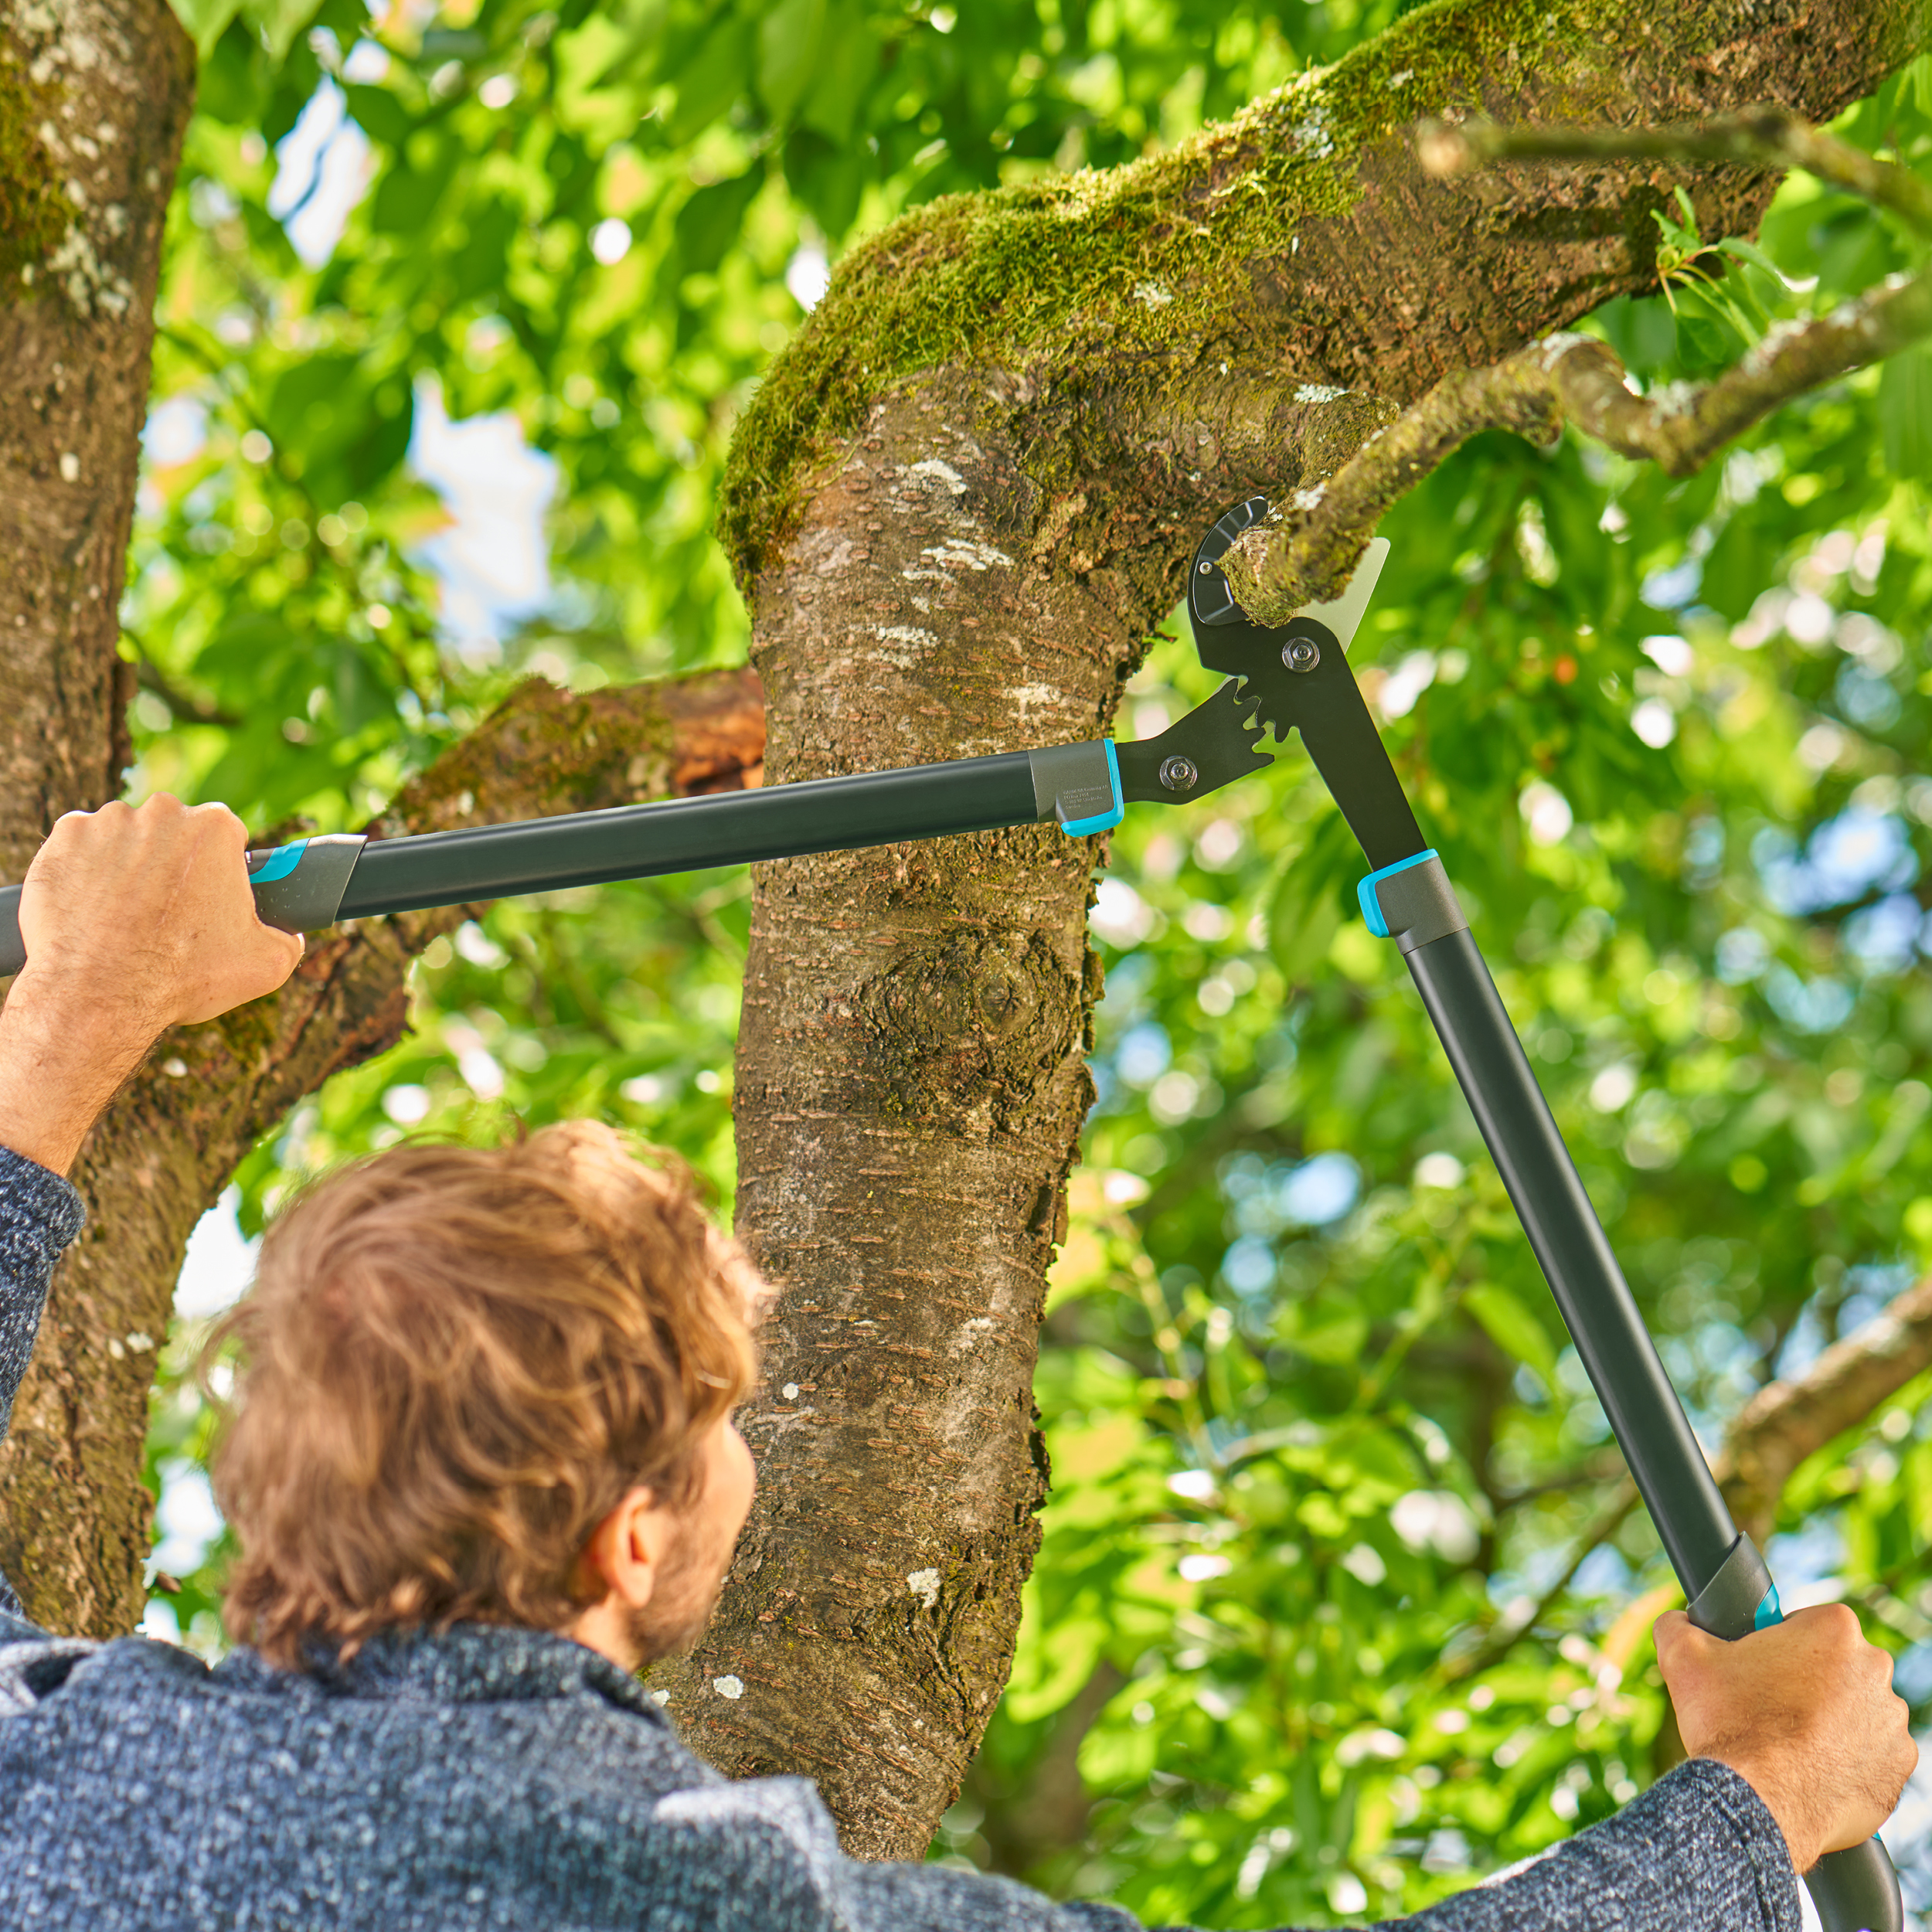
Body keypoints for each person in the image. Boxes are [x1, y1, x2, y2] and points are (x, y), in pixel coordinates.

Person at [0, 795, 1915, 1931]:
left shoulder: (63, 1770)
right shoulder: (692, 1885)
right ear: (621, 1544)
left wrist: (70, 1021)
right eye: (721, 1421)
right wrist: (1754, 1797)